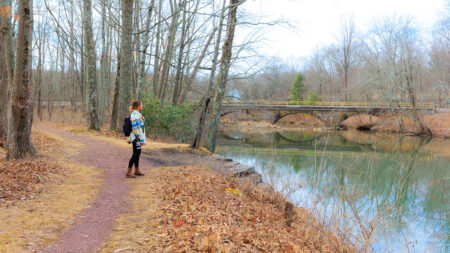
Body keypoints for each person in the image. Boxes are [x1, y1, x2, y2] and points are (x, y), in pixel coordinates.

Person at [126, 100, 146, 178]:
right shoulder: (134, 115)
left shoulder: (138, 114)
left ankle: (137, 170)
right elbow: (135, 128)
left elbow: (140, 127)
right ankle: (128, 171)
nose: (142, 105)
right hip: (136, 137)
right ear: (138, 106)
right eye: (141, 104)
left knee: (137, 153)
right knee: (135, 154)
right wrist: (140, 139)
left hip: (138, 137)